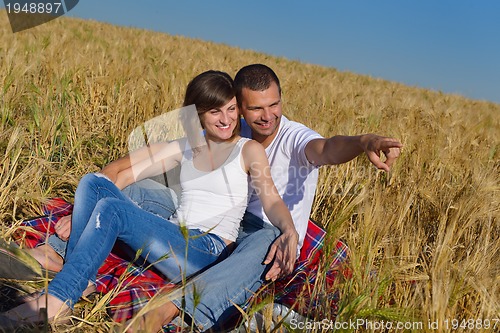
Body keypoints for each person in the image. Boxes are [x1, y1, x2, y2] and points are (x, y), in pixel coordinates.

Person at [0, 70, 298, 328]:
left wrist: (290, 231)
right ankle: (79, 278)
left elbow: (270, 197)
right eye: (215, 112)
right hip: (173, 234)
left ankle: (58, 299)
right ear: (196, 115)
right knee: (93, 182)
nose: (226, 119)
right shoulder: (186, 147)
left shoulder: (247, 150)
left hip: (206, 250)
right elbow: (122, 172)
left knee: (113, 209)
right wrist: (82, 210)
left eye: (232, 109)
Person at [126, 64, 403, 332]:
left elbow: (327, 148)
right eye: (256, 108)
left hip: (265, 231)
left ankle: (175, 310)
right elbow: (189, 147)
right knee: (138, 189)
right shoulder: (231, 128)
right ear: (239, 108)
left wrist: (363, 141)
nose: (267, 115)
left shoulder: (294, 138)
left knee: (267, 240)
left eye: (274, 105)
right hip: (221, 219)